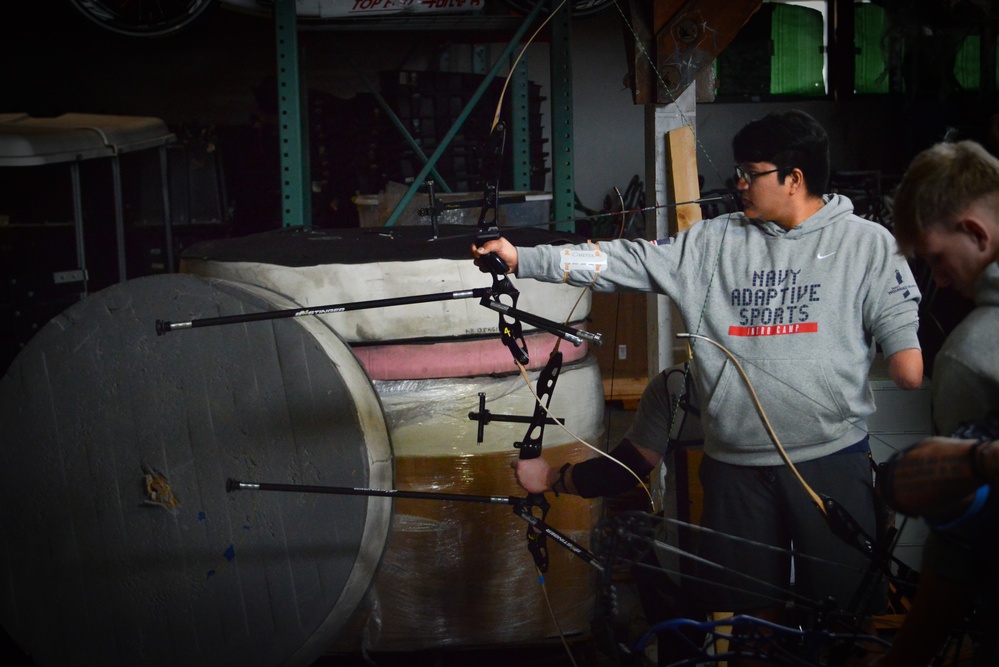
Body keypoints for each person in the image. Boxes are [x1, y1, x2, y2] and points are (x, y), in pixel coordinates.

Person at [473, 109, 924, 664]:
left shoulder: (867, 244)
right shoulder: (711, 243)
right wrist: (525, 259)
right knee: (748, 620)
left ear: (794, 178)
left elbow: (907, 359)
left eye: (750, 172)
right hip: (736, 469)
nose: (738, 183)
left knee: (841, 618)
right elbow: (625, 259)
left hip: (831, 460)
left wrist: (903, 342)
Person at [874, 138, 999, 666]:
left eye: (938, 260)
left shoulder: (971, 355)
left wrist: (904, 657)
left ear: (975, 232)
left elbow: (956, 551)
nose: (940, 281)